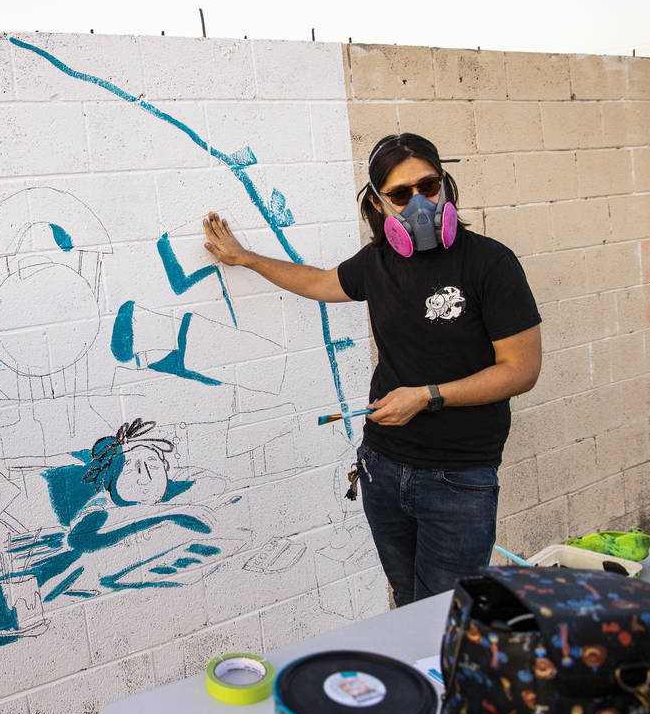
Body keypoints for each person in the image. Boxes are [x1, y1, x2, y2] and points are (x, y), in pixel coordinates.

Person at [202, 133, 542, 606]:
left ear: (446, 185)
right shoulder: (377, 264)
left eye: (429, 185)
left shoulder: (490, 263)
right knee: (407, 605)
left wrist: (426, 396)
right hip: (383, 468)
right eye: (401, 194)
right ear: (380, 205)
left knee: (445, 616)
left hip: (459, 478)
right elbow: (320, 282)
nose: (419, 202)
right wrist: (249, 259)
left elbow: (521, 370)